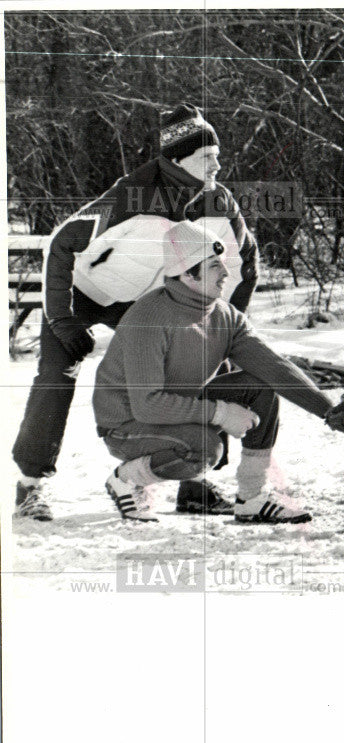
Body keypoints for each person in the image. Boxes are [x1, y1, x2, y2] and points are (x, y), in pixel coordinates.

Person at [13, 103, 259, 520]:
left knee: (194, 362)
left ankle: (194, 484)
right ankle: (29, 486)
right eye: (208, 157)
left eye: (217, 155)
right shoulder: (133, 193)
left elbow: (247, 262)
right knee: (56, 375)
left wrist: (225, 328)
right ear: (179, 160)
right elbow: (60, 243)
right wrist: (60, 318)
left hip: (138, 299)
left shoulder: (219, 201)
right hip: (81, 291)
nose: (219, 164)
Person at [94, 221, 344, 523]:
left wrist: (329, 412)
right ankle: (126, 479)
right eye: (215, 266)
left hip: (172, 407)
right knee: (205, 449)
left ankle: (251, 498)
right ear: (189, 275)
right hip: (127, 423)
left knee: (261, 384)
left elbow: (273, 367)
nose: (226, 272)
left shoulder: (223, 315)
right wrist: (219, 412)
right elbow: (147, 404)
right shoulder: (148, 319)